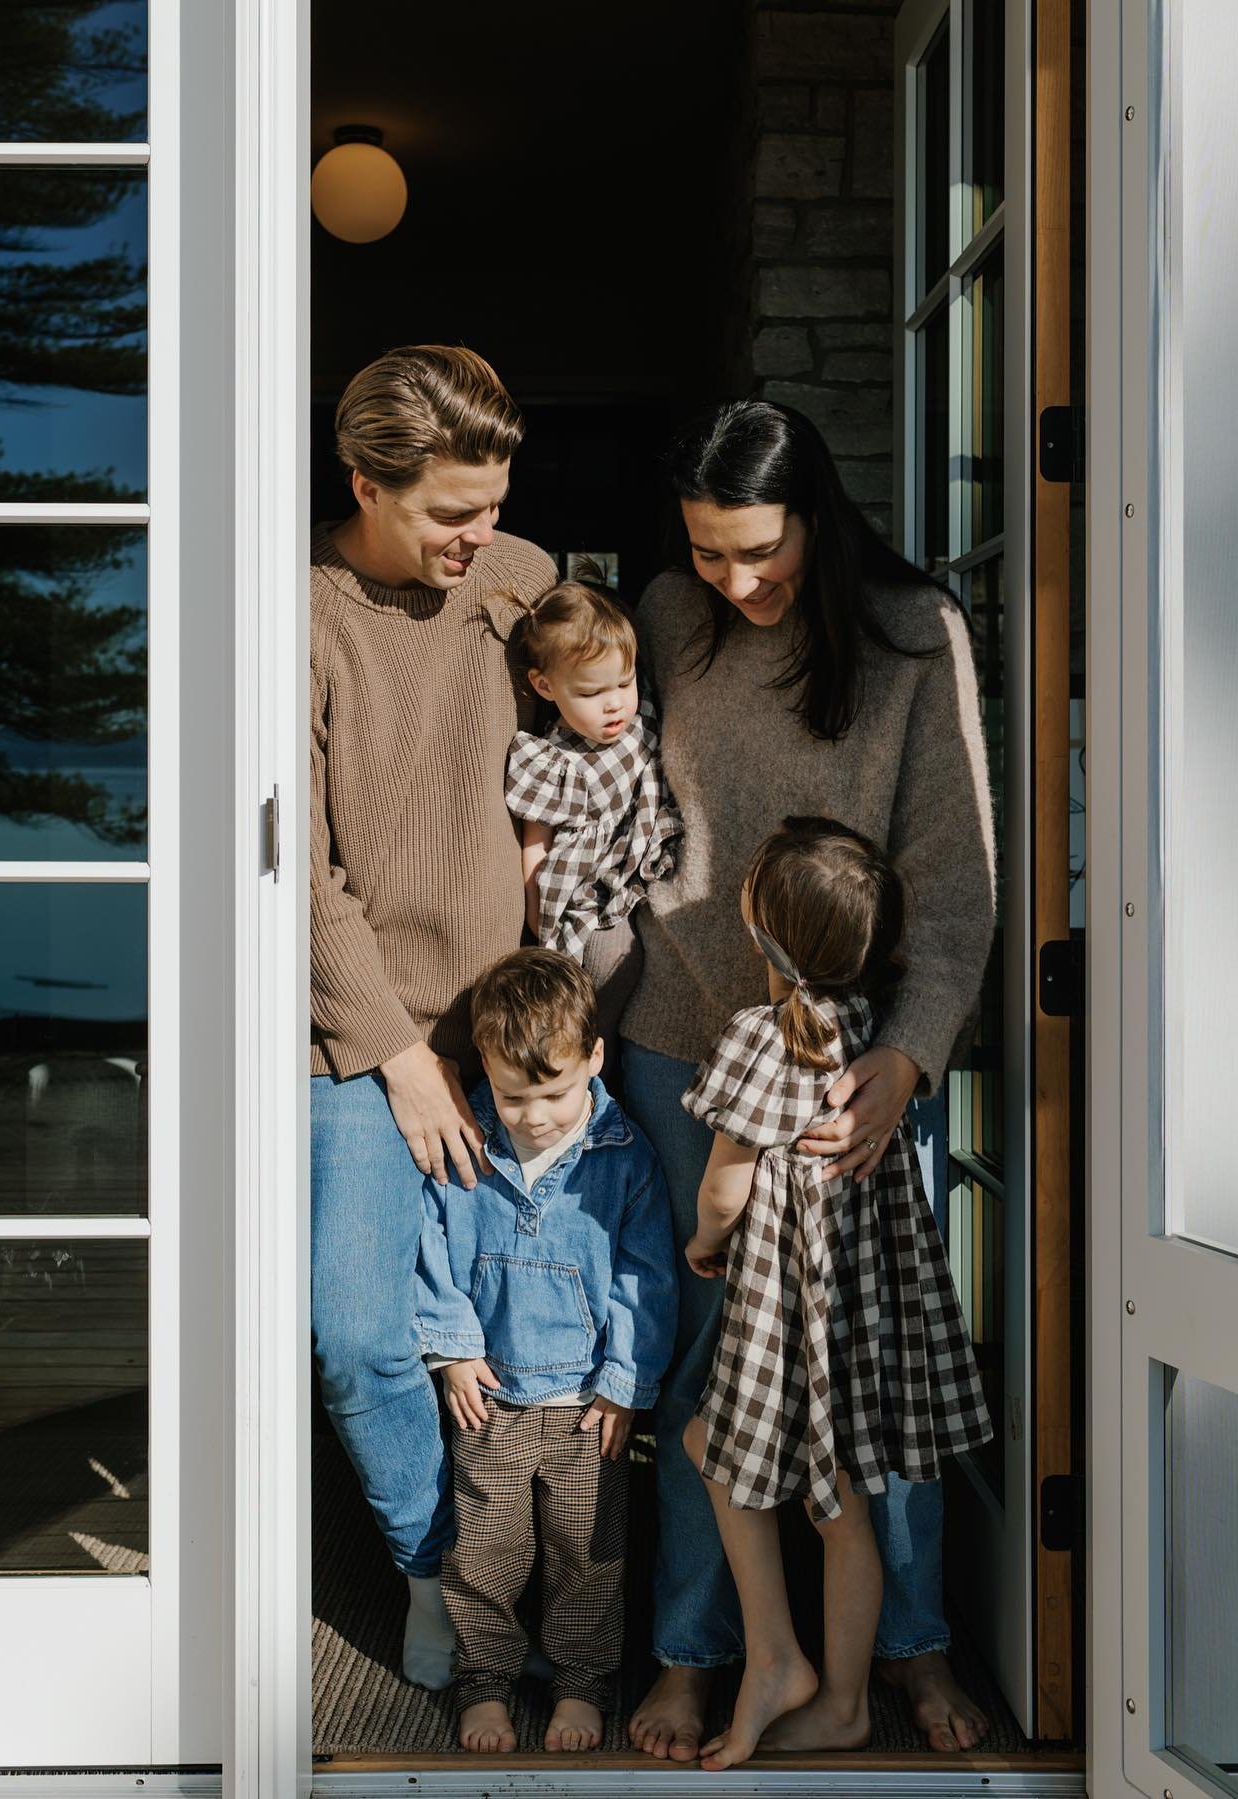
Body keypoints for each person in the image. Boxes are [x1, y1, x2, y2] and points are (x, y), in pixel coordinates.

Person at [622, 399, 996, 1759]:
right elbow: (621, 806)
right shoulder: (669, 614)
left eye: (760, 551)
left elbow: (956, 883)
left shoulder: (910, 634)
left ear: (816, 516)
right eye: (711, 553)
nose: (736, 581)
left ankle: (907, 1644)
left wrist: (907, 1054)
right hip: (684, 1039)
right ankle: (693, 1649)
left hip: (851, 1064)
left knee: (868, 1376)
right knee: (702, 1360)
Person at [310, 346, 557, 1689]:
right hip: (361, 1042)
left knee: (544, 1333)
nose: (480, 537)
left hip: (524, 1031)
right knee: (358, 1336)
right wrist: (401, 1055)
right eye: (451, 514)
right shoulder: (304, 609)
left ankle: (549, 1588)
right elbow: (292, 866)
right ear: (366, 483)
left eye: (494, 503)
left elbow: (603, 726)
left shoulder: (517, 579)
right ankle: (432, 1567)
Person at [678, 818, 992, 1767]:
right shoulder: (868, 1027)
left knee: (716, 1448)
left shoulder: (760, 1040)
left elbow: (727, 1183)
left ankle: (778, 1659)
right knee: (842, 1494)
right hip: (865, 1304)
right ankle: (841, 1696)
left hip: (788, 1309)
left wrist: (703, 1240)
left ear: (757, 927)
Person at [416, 949, 678, 1753]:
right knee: (485, 1555)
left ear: (595, 1059)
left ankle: (580, 1682)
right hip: (490, 1398)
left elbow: (645, 1278)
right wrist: (454, 1351)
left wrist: (625, 1384)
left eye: (556, 1093)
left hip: (585, 1411)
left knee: (587, 1556)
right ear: (484, 1073)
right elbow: (429, 1247)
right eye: (513, 1094)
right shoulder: (468, 1148)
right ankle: (485, 1680)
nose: (534, 1116)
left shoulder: (623, 1159)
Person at [506, 568, 682, 1048]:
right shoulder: (552, 760)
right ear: (545, 687)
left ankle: (602, 1056)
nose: (614, 706)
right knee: (608, 964)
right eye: (590, 693)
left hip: (638, 866)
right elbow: (535, 839)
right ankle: (587, 1053)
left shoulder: (639, 713)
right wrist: (537, 911)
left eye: (622, 684)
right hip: (585, 888)